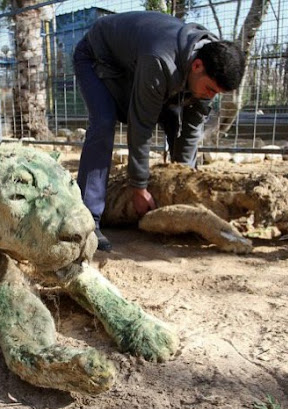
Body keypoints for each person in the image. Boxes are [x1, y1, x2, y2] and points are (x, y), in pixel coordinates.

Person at [73, 11, 246, 252]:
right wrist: (139, 186)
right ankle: (89, 220)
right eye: (209, 89)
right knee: (104, 121)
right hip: (97, 56)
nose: (210, 97)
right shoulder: (161, 61)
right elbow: (141, 125)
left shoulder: (212, 61)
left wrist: (184, 184)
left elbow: (191, 131)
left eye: (216, 93)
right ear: (197, 66)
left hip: (135, 62)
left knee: (174, 118)